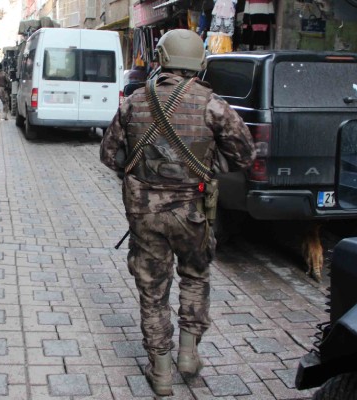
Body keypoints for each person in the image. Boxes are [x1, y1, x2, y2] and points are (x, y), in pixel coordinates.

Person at [100, 29, 256, 396]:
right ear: (199, 64)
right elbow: (246, 155)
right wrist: (207, 164)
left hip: (144, 215)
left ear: (161, 58)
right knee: (195, 277)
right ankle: (188, 354)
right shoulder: (213, 104)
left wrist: (143, 168)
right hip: (192, 214)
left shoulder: (134, 102)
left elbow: (109, 155)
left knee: (153, 291)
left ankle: (162, 371)